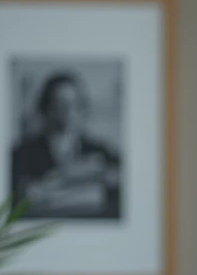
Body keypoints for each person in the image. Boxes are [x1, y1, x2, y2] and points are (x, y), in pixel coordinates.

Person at [10, 70, 121, 219]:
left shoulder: (101, 150)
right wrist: (61, 177)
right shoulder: (22, 153)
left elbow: (121, 183)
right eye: (62, 103)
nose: (71, 110)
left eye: (77, 103)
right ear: (47, 108)